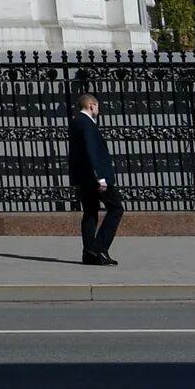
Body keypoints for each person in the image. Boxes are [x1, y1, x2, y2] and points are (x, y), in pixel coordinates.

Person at [68, 90, 121, 266]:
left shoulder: (76, 123)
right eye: (97, 107)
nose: (98, 110)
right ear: (92, 106)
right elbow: (92, 152)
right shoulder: (88, 124)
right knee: (116, 209)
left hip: (83, 178)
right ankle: (99, 248)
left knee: (90, 213)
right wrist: (101, 177)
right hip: (95, 178)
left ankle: (88, 254)